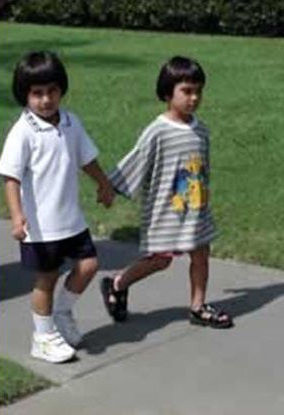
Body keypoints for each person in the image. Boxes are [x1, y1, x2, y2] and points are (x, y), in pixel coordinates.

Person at [0, 51, 115, 363]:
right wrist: (17, 216)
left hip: (71, 220)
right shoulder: (23, 131)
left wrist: (103, 183)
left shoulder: (72, 122)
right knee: (45, 280)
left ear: (61, 90)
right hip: (41, 225)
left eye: (52, 91)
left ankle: (62, 314)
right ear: (25, 95)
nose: (46, 100)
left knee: (88, 266)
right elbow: (10, 176)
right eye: (37, 93)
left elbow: (86, 158)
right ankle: (43, 337)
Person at [101, 56, 233, 328]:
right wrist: (110, 187)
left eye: (198, 91)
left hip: (197, 209)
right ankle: (117, 283)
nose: (194, 97)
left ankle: (198, 307)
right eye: (186, 91)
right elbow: (136, 160)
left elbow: (201, 171)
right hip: (166, 210)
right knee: (160, 261)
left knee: (201, 253)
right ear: (167, 93)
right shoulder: (157, 131)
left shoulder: (201, 130)